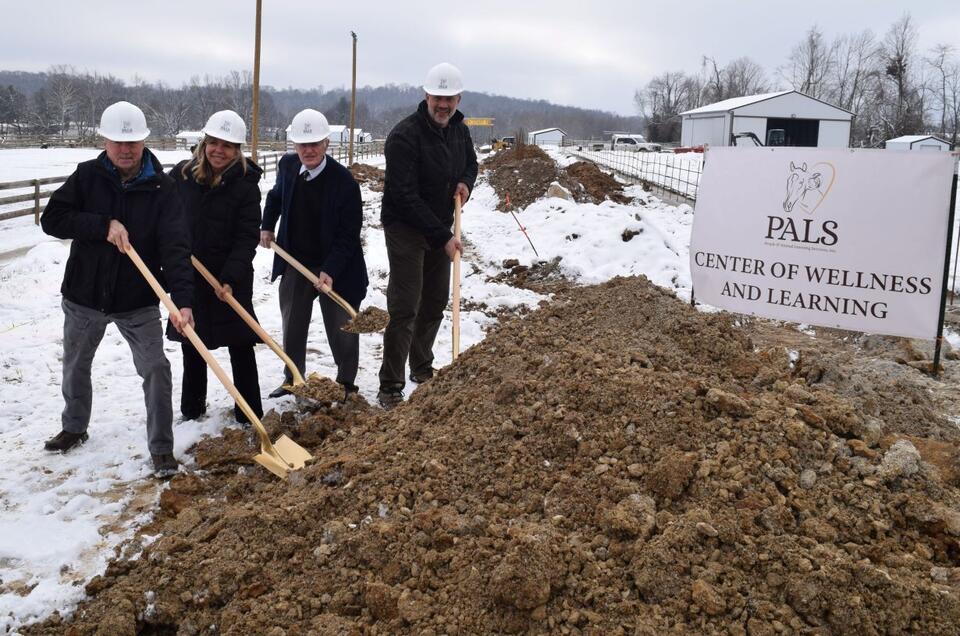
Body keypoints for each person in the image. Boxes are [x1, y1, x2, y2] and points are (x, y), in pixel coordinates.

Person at [40, 101, 194, 477]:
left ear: (144, 141)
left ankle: (161, 450)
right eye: (117, 143)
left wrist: (183, 301)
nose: (126, 150)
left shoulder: (163, 187)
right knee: (76, 364)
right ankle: (74, 427)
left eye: (133, 143)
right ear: (105, 142)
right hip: (85, 294)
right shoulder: (87, 176)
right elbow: (52, 220)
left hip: (137, 298)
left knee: (156, 368)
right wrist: (102, 224)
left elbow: (176, 247)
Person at [377, 63, 478, 409]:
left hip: (439, 224)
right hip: (406, 227)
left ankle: (421, 366)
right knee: (406, 305)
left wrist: (466, 182)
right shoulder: (405, 136)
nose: (443, 105)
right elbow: (404, 197)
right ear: (426, 96)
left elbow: (471, 164)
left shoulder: (460, 131)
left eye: (449, 99)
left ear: (458, 98)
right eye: (438, 98)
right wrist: (443, 236)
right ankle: (390, 384)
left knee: (435, 300)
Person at [260, 109, 368, 400]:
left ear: (326, 144)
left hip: (338, 265)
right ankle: (293, 378)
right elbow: (275, 196)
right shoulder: (288, 166)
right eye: (302, 144)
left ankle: (345, 384)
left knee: (342, 327)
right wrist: (267, 226)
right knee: (292, 321)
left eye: (314, 144)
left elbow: (348, 236)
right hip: (296, 258)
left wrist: (329, 269)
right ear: (294, 145)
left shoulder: (344, 183)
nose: (308, 150)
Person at [167, 110, 264, 424]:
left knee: (240, 342)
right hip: (190, 275)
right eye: (214, 142)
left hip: (228, 277)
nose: (219, 150)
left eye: (228, 145)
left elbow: (246, 236)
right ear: (204, 142)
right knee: (193, 342)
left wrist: (230, 278)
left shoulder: (246, 185)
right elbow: (163, 212)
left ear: (238, 151)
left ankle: (249, 413)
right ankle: (192, 410)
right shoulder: (181, 176)